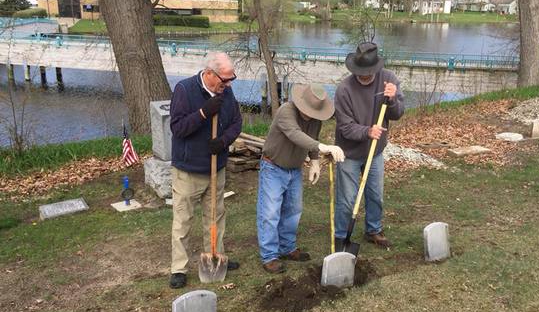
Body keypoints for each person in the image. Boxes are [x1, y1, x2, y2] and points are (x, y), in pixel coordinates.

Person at [168, 52, 242, 289]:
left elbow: (237, 122)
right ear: (209, 73)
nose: (228, 85)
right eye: (225, 80)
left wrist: (223, 141)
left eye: (231, 80)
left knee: (215, 216)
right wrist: (203, 113)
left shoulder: (226, 92)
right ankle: (178, 268)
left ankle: (215, 255)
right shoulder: (184, 90)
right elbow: (178, 128)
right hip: (189, 170)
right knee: (183, 220)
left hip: (215, 168)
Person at [257, 84, 345, 274]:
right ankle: (269, 256)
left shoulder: (316, 119)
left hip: (294, 169)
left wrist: (314, 161)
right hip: (273, 166)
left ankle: (287, 248)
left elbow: (312, 138)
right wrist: (323, 147)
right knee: (270, 212)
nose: (311, 115)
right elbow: (295, 134)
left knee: (293, 210)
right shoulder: (285, 111)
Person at [334, 42, 405, 249]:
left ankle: (373, 229)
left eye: (368, 73)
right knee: (347, 199)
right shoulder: (344, 90)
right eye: (360, 73)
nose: (364, 76)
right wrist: (367, 131)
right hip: (349, 152)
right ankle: (341, 235)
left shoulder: (388, 80)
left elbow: (398, 113)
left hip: (376, 152)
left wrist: (392, 100)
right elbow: (345, 127)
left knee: (375, 194)